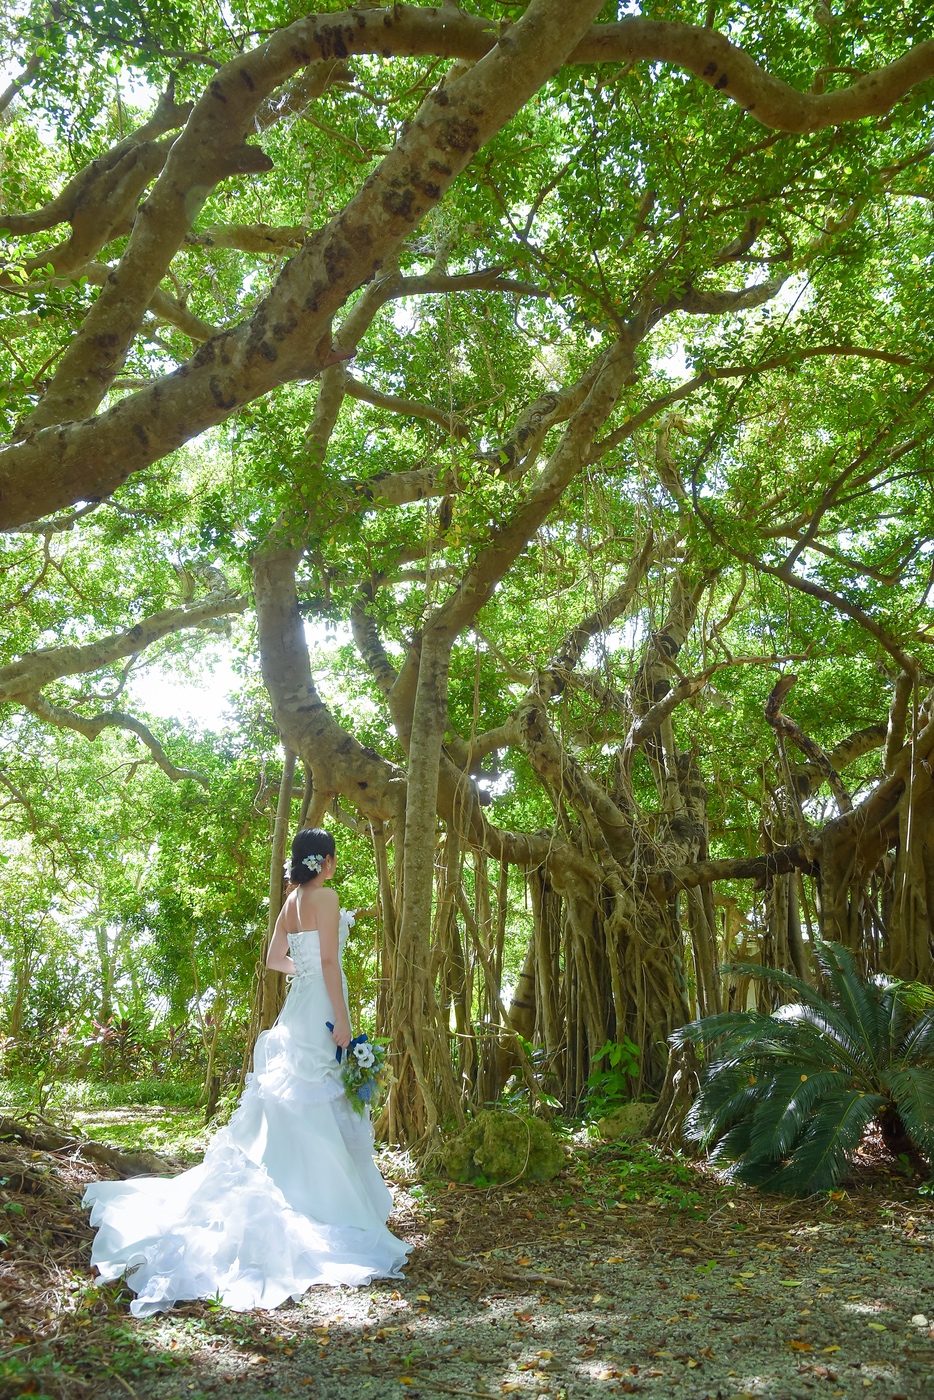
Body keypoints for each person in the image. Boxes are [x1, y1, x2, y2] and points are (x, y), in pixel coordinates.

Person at [83, 827, 410, 1316]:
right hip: (321, 1004)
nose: (335, 865)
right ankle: (323, 1204)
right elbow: (327, 959)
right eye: (334, 858)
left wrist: (307, 981)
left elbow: (275, 959)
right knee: (316, 1095)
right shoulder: (325, 896)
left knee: (294, 1098)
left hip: (299, 1005)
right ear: (324, 862)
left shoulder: (291, 901)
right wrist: (342, 1018)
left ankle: (300, 1191)